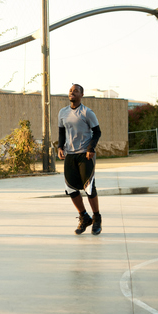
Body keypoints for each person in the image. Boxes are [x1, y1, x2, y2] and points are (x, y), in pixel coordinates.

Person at [57, 83, 103, 235]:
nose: (72, 93)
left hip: (85, 154)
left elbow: (97, 132)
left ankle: (96, 218)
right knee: (70, 188)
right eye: (70, 90)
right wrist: (60, 147)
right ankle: (84, 217)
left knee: (89, 188)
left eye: (76, 91)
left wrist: (91, 148)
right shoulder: (62, 112)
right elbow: (62, 132)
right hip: (70, 155)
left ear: (81, 95)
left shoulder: (87, 112)